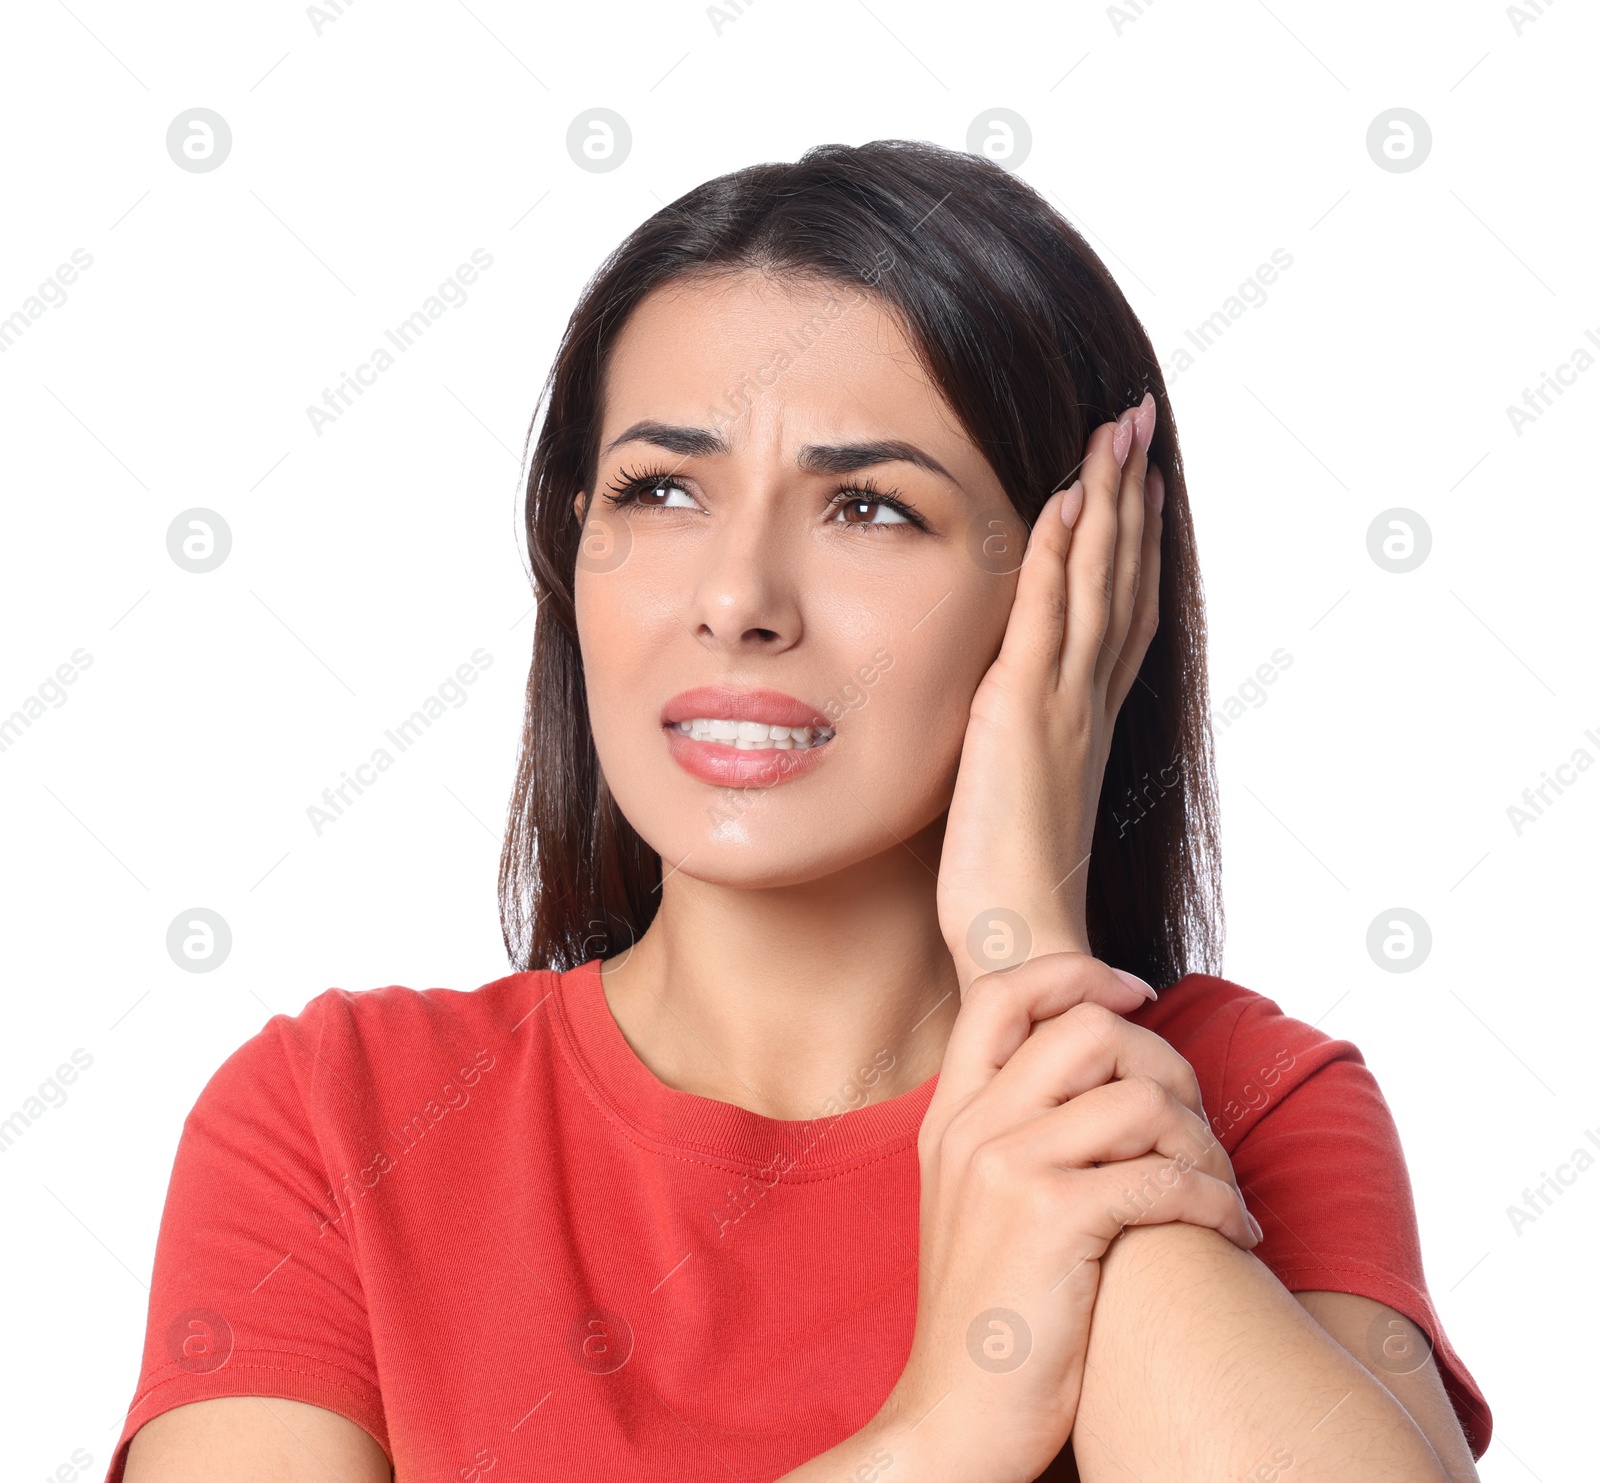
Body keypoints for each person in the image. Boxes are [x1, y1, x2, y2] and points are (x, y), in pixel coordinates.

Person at [112, 139, 1489, 1482]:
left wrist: (1027, 950)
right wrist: (943, 1434)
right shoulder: (334, 1119)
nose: (736, 599)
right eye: (661, 490)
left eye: (871, 509)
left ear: (1078, 589)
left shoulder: (1245, 1105)